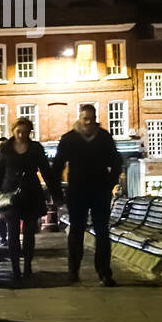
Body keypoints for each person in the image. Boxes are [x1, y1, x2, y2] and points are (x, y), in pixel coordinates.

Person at [51, 104, 123, 286]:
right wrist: (57, 194)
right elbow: (57, 167)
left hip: (100, 191)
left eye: (92, 119)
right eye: (85, 119)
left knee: (102, 232)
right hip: (77, 190)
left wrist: (109, 183)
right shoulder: (69, 139)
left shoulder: (104, 138)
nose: (89, 122)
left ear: (95, 118)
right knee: (76, 231)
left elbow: (116, 162)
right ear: (80, 118)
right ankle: (73, 270)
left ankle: (104, 273)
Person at [0, 117, 59, 285]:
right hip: (10, 195)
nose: (21, 135)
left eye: (25, 131)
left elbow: (46, 171)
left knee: (29, 233)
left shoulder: (36, 148)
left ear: (30, 132)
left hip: (31, 194)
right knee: (13, 233)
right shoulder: (5, 148)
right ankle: (15, 269)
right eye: (18, 131)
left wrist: (56, 195)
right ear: (13, 131)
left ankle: (27, 265)